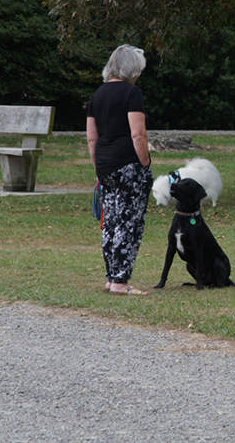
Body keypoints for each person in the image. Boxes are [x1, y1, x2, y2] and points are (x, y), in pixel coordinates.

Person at [86, 44, 153, 295]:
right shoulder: (132, 93)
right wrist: (145, 164)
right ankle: (121, 282)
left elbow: (92, 138)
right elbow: (138, 134)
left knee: (111, 222)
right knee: (130, 223)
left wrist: (98, 167)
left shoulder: (98, 94)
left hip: (105, 165)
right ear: (132, 69)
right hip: (128, 165)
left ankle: (111, 277)